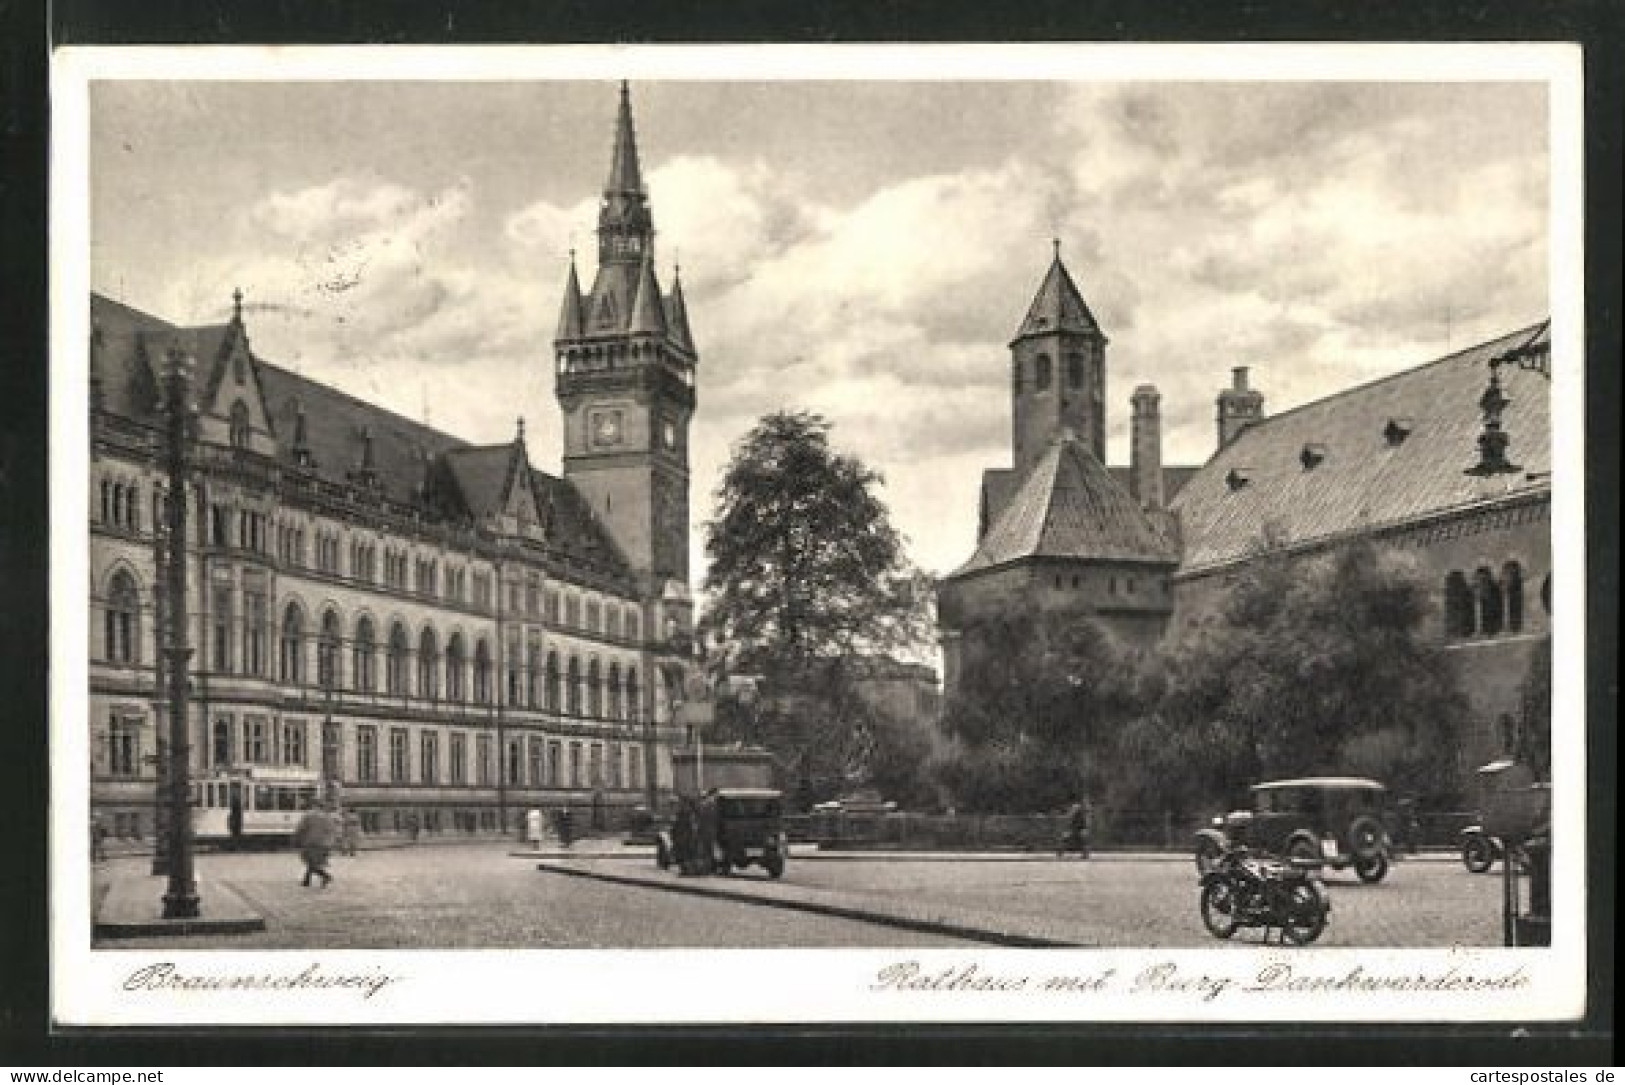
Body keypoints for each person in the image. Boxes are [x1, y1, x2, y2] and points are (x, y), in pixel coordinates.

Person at [292, 801, 338, 887]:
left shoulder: (308, 816)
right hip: (325, 844)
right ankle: (306, 881)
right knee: (313, 862)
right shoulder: (328, 817)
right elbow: (332, 831)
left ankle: (326, 876)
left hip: (311, 842)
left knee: (311, 862)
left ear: (314, 806)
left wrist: (296, 840)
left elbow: (301, 829)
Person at [696, 788, 720, 875]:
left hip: (706, 830)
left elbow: (699, 818)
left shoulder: (704, 804)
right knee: (709, 850)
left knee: (707, 850)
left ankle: (708, 868)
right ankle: (709, 868)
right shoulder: (711, 804)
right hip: (709, 830)